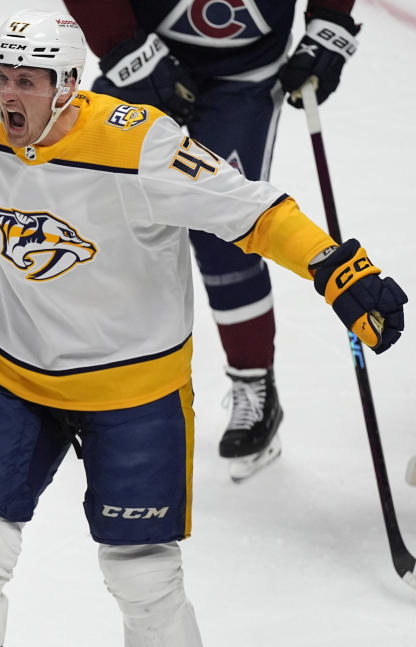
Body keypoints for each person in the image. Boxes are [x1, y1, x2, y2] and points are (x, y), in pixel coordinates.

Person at [0, 9, 406, 647]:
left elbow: (251, 210)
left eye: (26, 80)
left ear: (66, 84)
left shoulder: (141, 144)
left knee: (143, 577)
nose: (7, 92)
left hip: (134, 392)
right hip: (13, 377)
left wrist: (335, 268)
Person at [61, 0, 361, 480]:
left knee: (227, 227)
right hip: (146, 40)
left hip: (246, 71)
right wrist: (122, 45)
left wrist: (330, 21)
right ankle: (89, 372)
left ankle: (253, 385)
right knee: (95, 205)